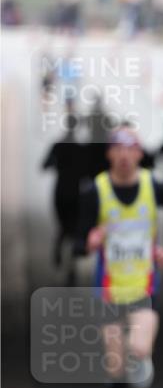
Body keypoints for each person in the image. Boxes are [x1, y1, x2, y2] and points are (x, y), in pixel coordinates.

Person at [75, 125, 163, 388]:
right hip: (108, 288)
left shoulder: (155, 186)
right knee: (115, 361)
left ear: (139, 153)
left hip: (143, 286)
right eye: (118, 149)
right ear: (110, 153)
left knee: (137, 349)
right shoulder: (95, 191)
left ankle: (142, 358)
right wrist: (89, 242)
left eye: (130, 148)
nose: (124, 155)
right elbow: (78, 240)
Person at [41, 98, 89, 278]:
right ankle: (72, 266)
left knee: (63, 226)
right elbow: (88, 173)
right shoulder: (81, 149)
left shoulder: (58, 146)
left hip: (60, 193)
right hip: (76, 194)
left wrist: (57, 164)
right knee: (75, 228)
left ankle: (59, 250)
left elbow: (44, 166)